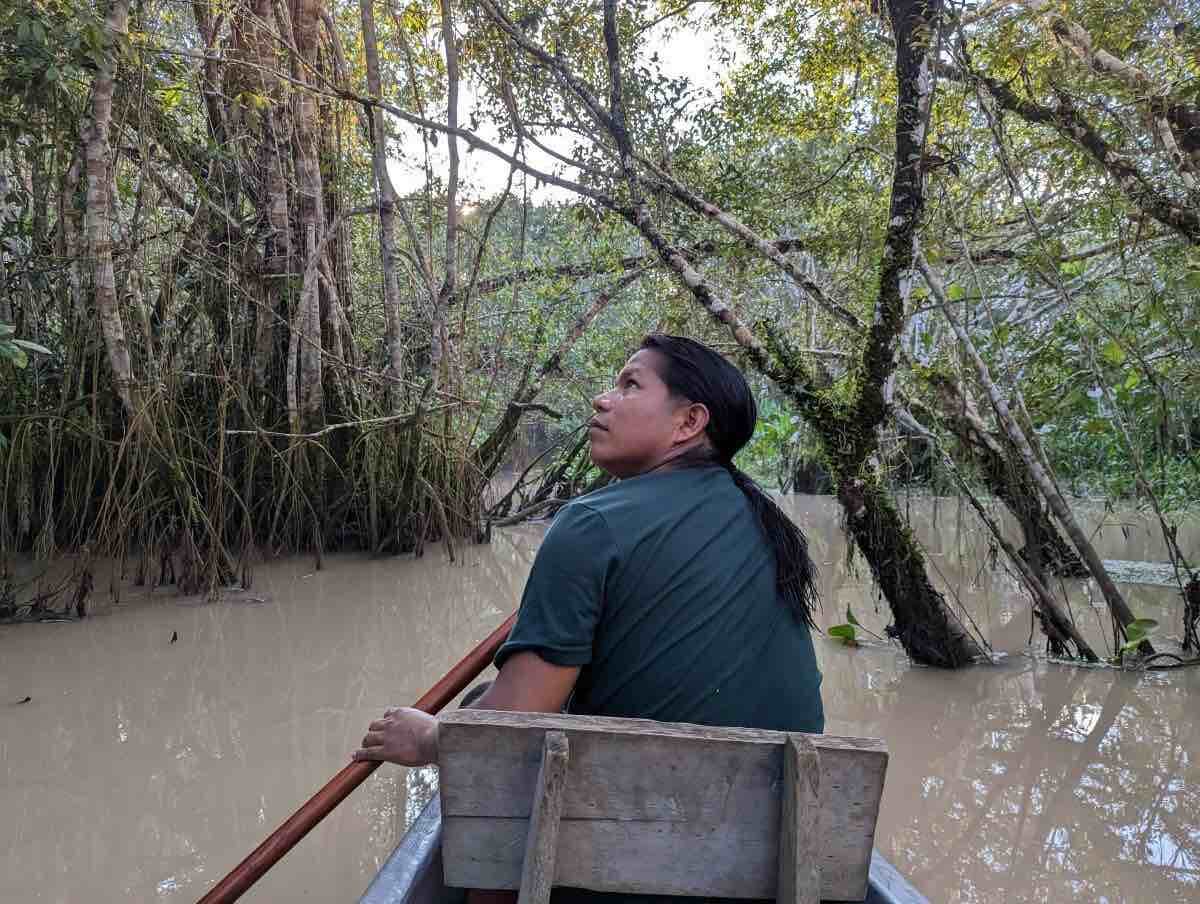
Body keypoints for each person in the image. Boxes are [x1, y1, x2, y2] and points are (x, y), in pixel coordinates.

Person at [354, 332, 824, 803]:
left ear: (689, 422)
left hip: (637, 837)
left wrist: (428, 739)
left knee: (485, 727)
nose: (602, 400)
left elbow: (511, 725)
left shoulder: (593, 523)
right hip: (776, 826)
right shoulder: (768, 522)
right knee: (487, 700)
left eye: (630, 386)